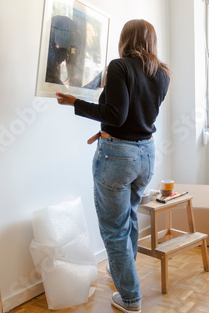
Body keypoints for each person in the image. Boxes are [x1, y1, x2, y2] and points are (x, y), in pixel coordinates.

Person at [56, 19, 171, 312]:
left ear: (125, 39)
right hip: (146, 154)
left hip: (118, 155)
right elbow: (135, 112)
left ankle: (130, 298)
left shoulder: (120, 66)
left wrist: (75, 103)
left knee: (114, 229)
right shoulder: (162, 73)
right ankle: (124, 271)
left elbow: (116, 115)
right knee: (129, 217)